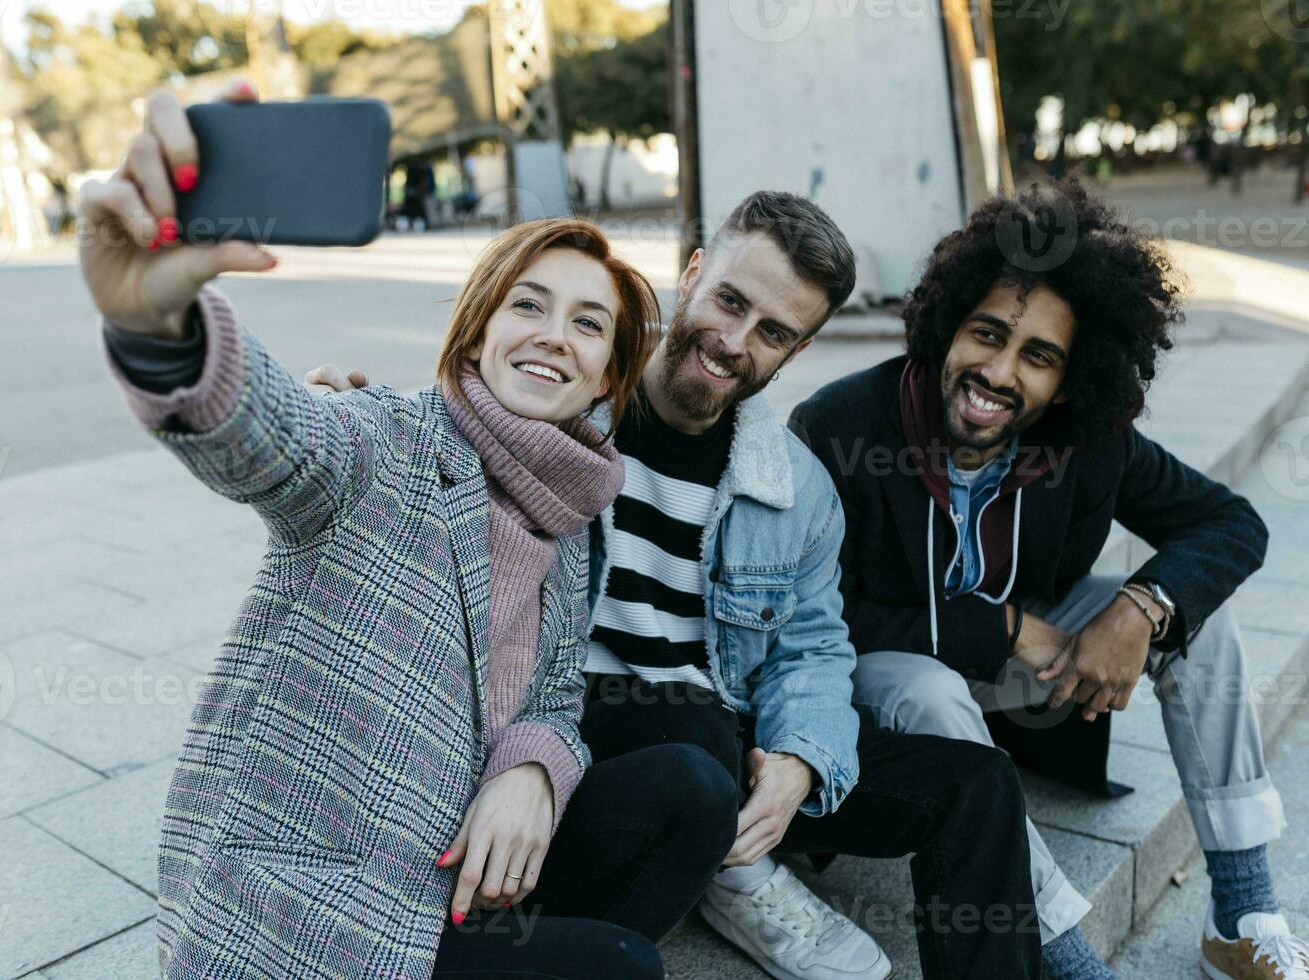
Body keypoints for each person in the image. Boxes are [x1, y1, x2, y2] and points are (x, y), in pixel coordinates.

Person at [78, 81, 739, 980]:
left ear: (603, 384)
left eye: (589, 325)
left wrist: (533, 771)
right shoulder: (383, 437)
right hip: (314, 902)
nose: (555, 335)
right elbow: (273, 438)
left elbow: (552, 700)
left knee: (694, 790)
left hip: (450, 869)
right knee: (621, 968)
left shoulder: (572, 513)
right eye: (528, 306)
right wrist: (157, 325)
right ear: (475, 337)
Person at [310, 191, 1045, 980]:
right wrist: (346, 417)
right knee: (693, 725)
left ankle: (745, 858)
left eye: (772, 333)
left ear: (794, 353)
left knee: (979, 783)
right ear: (691, 273)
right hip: (579, 741)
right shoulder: (566, 399)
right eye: (730, 300)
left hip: (722, 755)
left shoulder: (794, 488)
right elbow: (449, 419)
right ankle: (733, 878)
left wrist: (800, 758)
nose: (733, 343)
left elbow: (813, 648)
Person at [790, 177, 1309, 980]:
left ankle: (1241, 912)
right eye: (986, 334)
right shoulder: (840, 425)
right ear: (946, 324)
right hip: (886, 692)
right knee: (929, 687)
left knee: (1195, 616)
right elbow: (816, 618)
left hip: (1021, 682)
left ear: (1068, 381)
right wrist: (998, 628)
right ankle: (1062, 952)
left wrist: (1140, 607)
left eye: (1037, 357)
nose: (997, 372)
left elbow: (1231, 524)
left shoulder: (1086, 439)